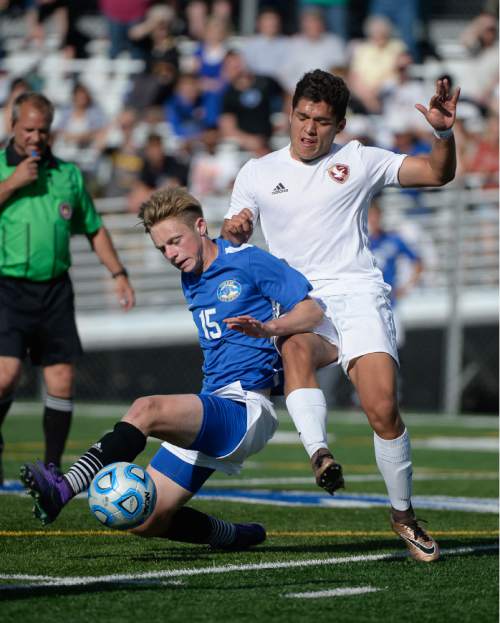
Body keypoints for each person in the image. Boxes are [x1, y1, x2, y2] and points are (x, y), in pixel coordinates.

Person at [222, 69, 461, 562]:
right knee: (293, 347)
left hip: (358, 295)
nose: (309, 129)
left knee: (382, 410)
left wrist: (441, 133)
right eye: (303, 117)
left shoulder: (359, 160)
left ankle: (403, 514)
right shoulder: (257, 172)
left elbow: (437, 174)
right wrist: (238, 228)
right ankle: (319, 453)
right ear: (289, 114)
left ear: (340, 125)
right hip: (300, 302)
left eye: (322, 121)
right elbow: (234, 229)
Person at [20, 186, 326, 551]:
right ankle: (233, 536)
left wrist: (270, 330)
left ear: (200, 227)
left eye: (175, 241)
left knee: (145, 409)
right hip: (214, 403)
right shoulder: (191, 277)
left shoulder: (247, 261)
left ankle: (63, 487)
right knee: (144, 518)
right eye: (162, 248)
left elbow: (312, 310)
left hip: (244, 407)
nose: (170, 254)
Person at [0, 92, 135, 485]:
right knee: (6, 376)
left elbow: (93, 228)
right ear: (13, 126)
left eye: (43, 130)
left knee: (61, 379)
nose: (36, 137)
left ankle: (51, 469)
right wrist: (12, 183)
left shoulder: (67, 175)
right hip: (8, 287)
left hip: (55, 289)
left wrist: (118, 273)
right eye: (28, 129)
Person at [368, 200, 423, 346]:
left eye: (375, 216)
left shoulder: (393, 240)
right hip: (367, 303)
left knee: (394, 346)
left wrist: (407, 286)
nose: (373, 221)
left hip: (390, 303)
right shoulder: (360, 244)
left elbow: (417, 261)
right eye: (370, 217)